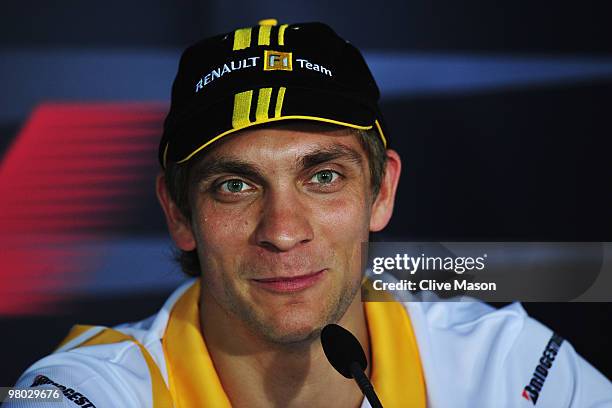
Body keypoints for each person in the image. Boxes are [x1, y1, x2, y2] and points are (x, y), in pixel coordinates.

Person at [6, 19, 611, 408]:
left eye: (323, 177)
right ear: (178, 212)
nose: (284, 231)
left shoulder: (511, 373)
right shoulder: (81, 395)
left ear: (381, 192)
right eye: (235, 186)